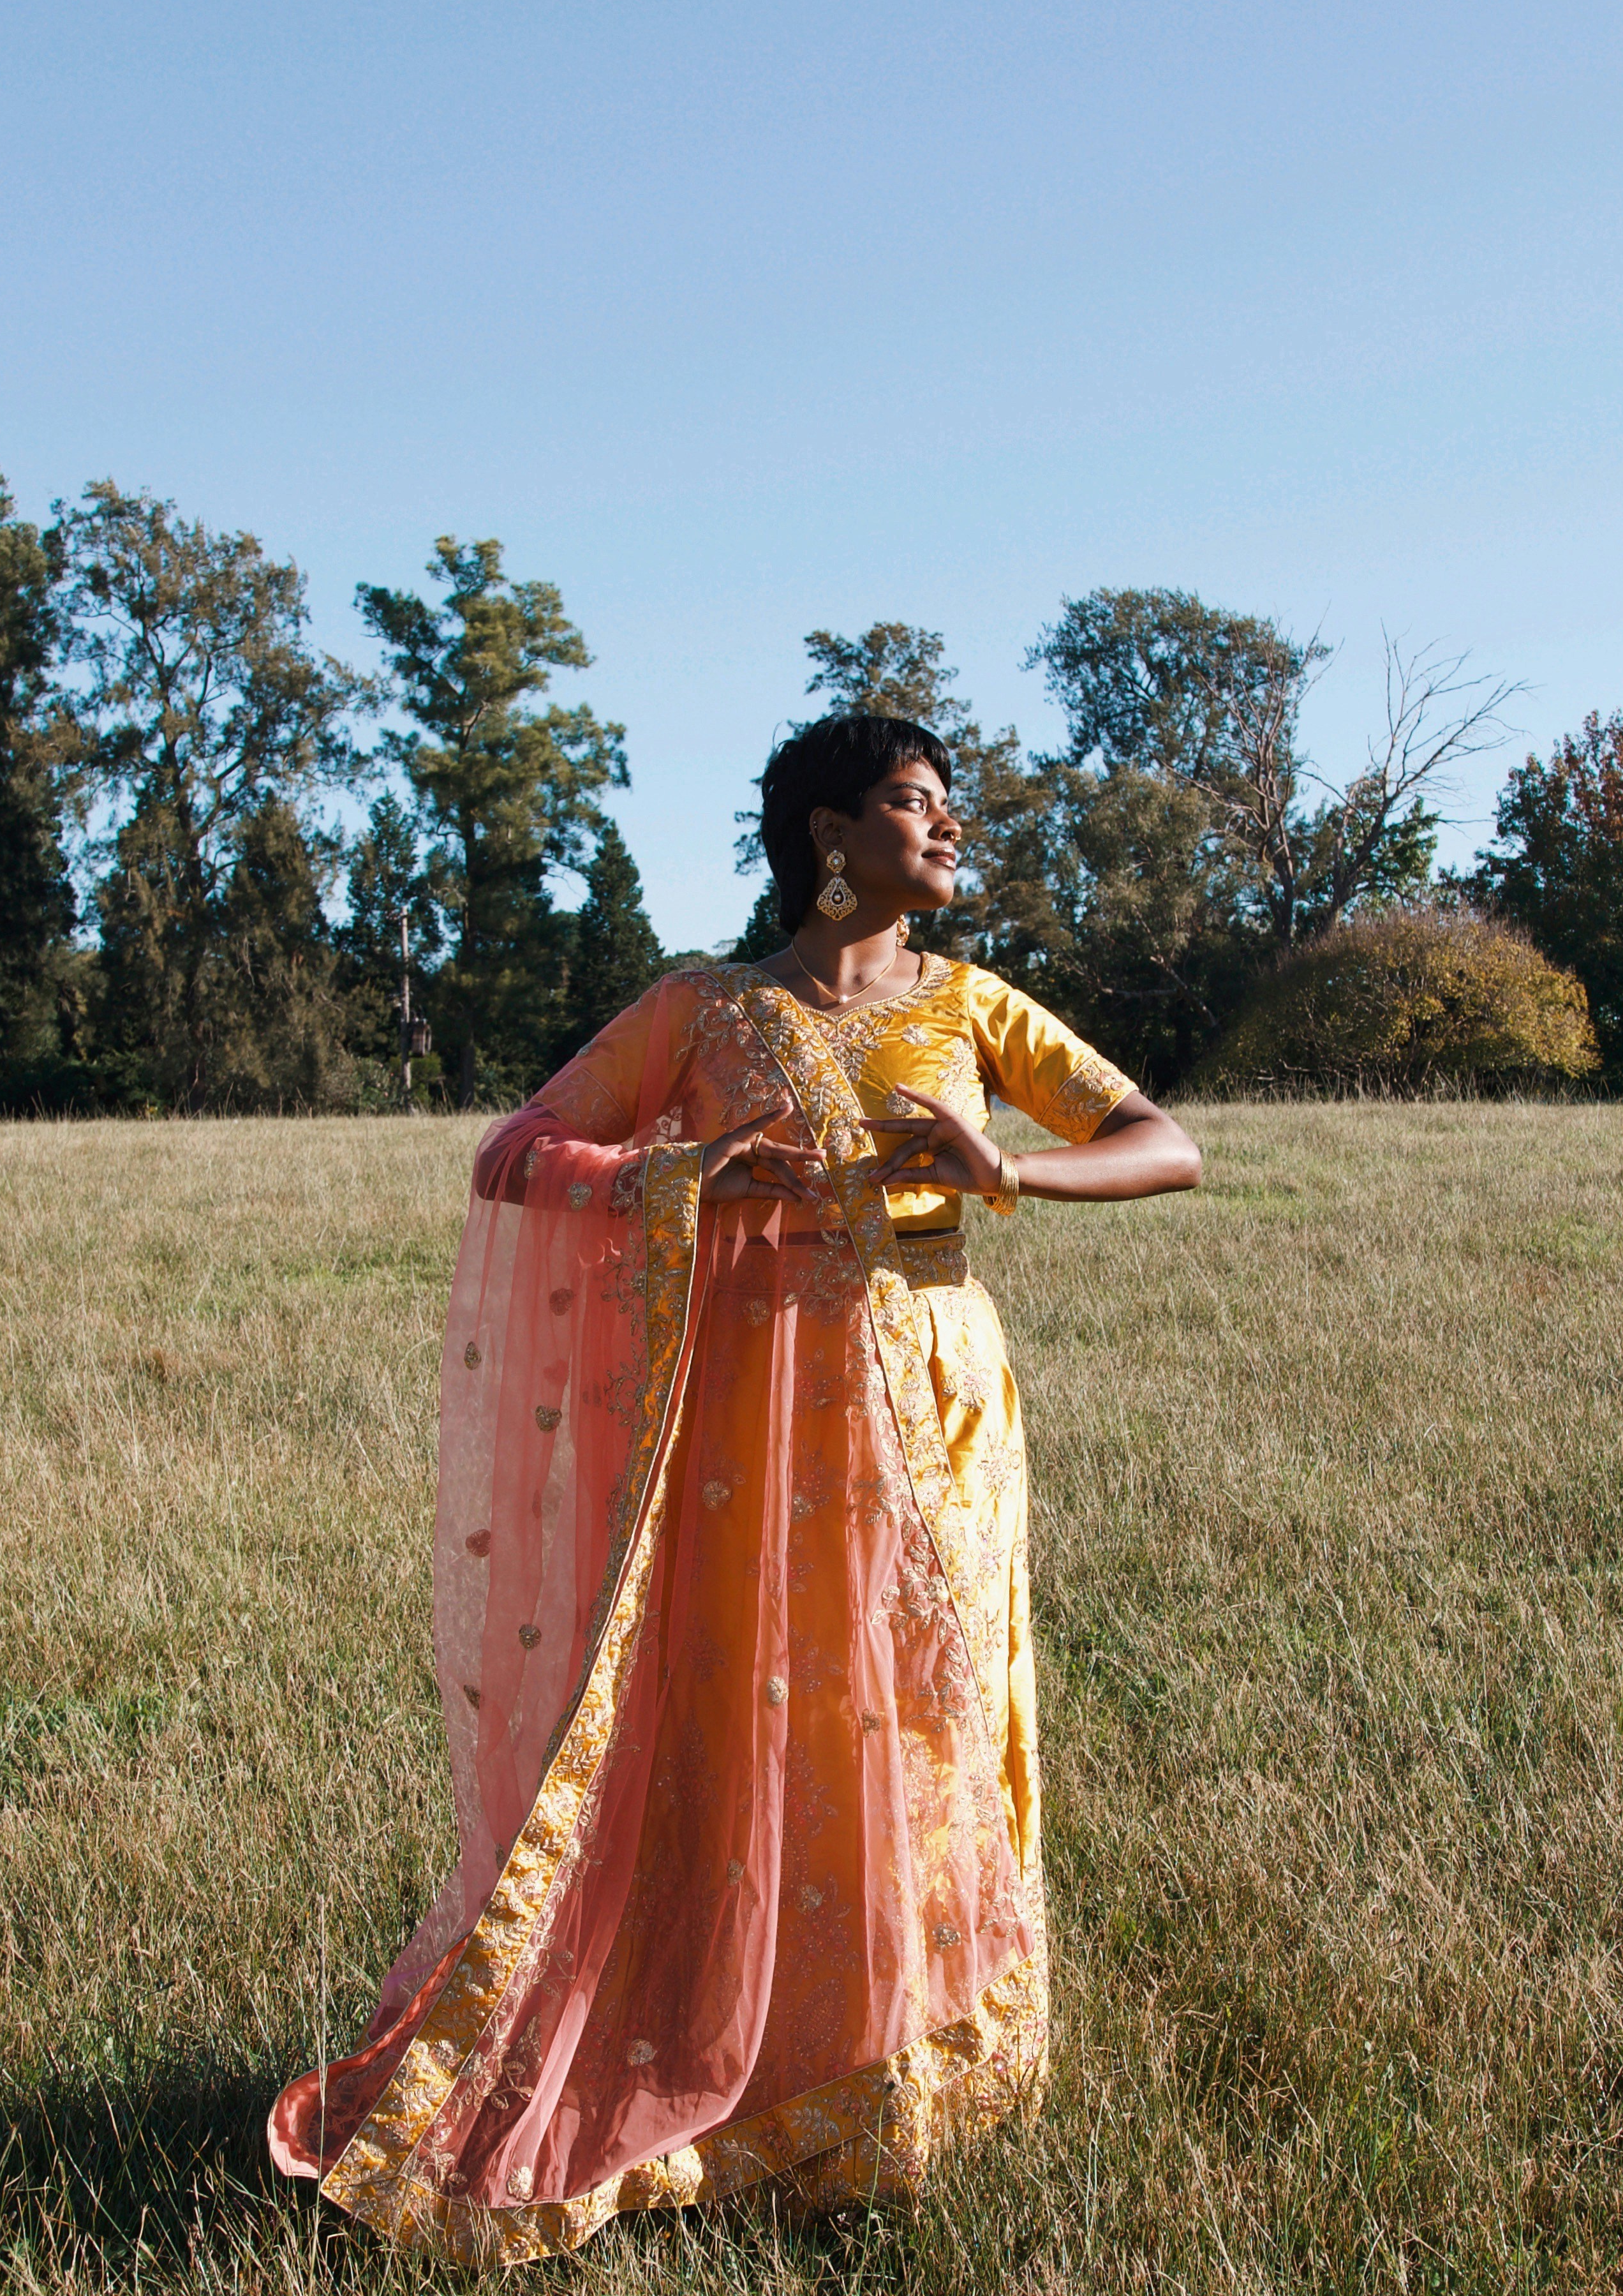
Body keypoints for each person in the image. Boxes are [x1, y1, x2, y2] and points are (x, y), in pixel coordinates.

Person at [269, 711, 1202, 2263]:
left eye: (947, 806)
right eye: (917, 805)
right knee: (745, 1712)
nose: (950, 831)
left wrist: (1011, 1169)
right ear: (830, 839)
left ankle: (897, 2052)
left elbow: (1168, 1145)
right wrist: (670, 1177)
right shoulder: (703, 1013)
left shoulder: (974, 1005)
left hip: (938, 1409)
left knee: (915, 1710)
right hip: (743, 1421)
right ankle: (719, 2036)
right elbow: (518, 1150)